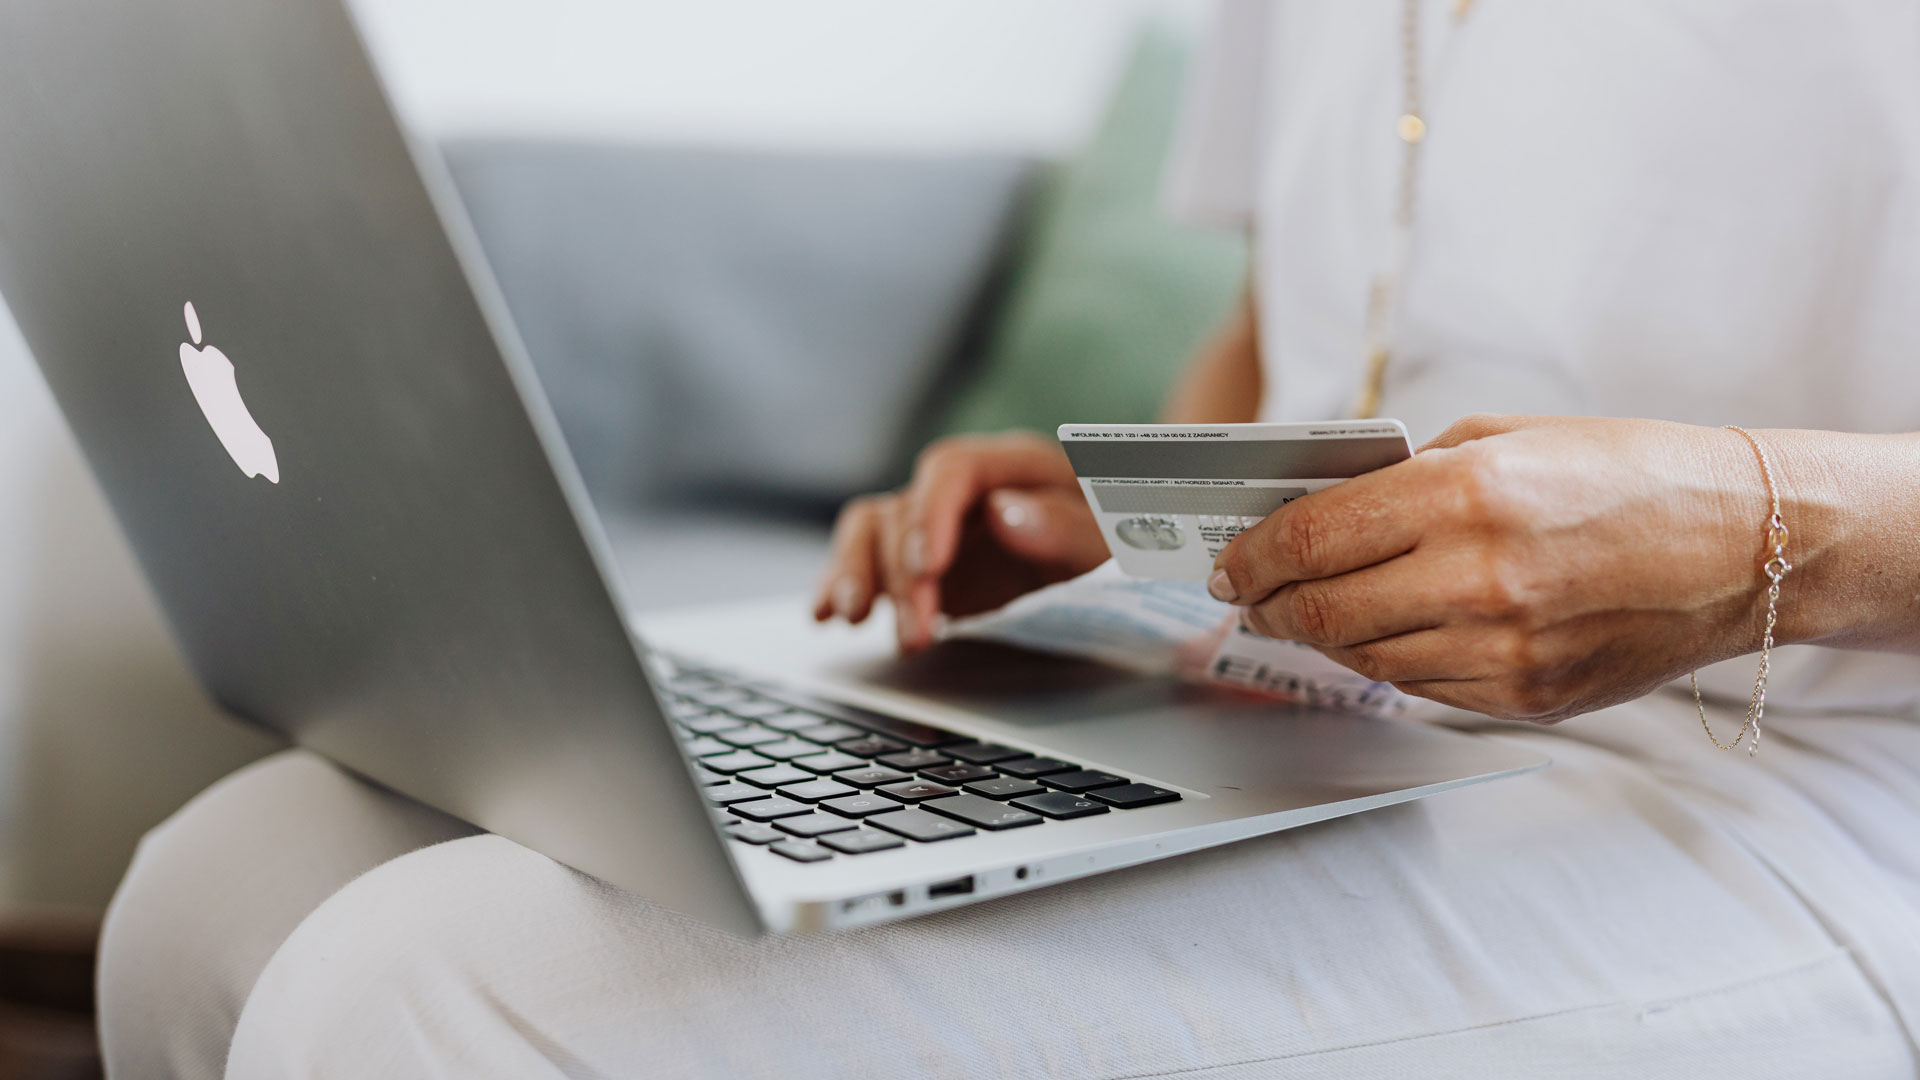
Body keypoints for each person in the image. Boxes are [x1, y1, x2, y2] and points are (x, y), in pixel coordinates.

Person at [99, 3, 1920, 1077]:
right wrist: (1159, 510)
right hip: (1317, 694)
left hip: (1792, 777)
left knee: (415, 998)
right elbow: (1287, 323)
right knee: (227, 884)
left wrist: (1764, 529)